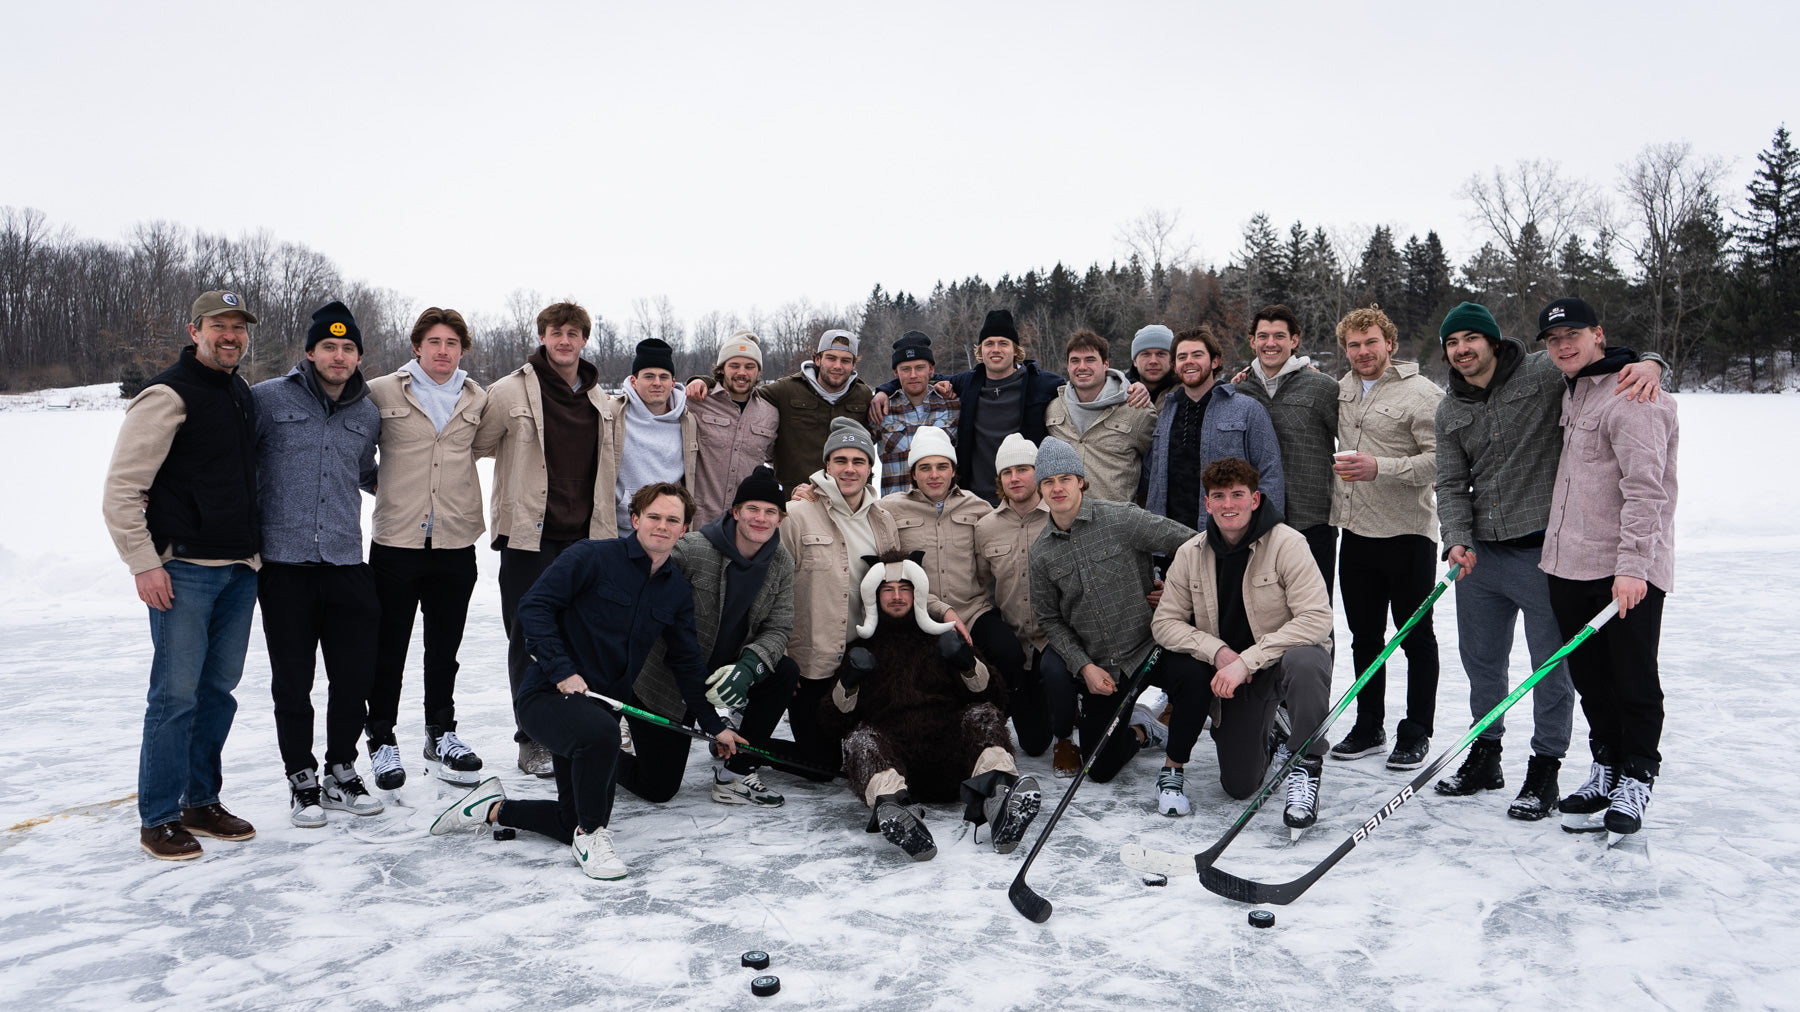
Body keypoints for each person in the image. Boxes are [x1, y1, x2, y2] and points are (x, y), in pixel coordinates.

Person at [430, 483, 749, 879]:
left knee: (571, 817)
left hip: (597, 711)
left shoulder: (676, 591)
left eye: (672, 520)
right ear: (635, 519)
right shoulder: (592, 557)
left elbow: (685, 663)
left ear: (684, 529)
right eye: (654, 517)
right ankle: (593, 836)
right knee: (601, 744)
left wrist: (716, 726)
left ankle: (493, 809)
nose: (662, 527)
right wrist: (561, 669)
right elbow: (534, 606)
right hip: (547, 696)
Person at [1431, 301, 1665, 819]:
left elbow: (1604, 357)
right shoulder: (1449, 409)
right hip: (1480, 559)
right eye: (1452, 342)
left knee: (1551, 669)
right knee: (1482, 664)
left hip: (1547, 555)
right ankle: (1486, 755)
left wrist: (1652, 362)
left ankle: (1545, 769)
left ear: (1493, 341)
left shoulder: (1543, 372)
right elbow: (1449, 483)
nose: (1462, 349)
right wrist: (1457, 538)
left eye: (1472, 338)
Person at [103, 290, 262, 860]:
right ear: (195, 329)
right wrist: (145, 562)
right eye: (218, 325)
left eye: (238, 327)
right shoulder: (168, 394)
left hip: (240, 571)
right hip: (185, 571)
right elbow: (123, 489)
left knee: (217, 694)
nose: (230, 336)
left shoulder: (239, 392)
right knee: (175, 698)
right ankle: (159, 818)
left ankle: (201, 800)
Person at [1533, 297, 1678, 841]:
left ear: (1598, 333)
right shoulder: (1575, 389)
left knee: (1632, 678)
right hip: (1568, 563)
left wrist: (1635, 566)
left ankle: (1637, 774)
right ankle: (1607, 766)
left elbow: (1648, 489)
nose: (1563, 345)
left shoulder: (1633, 392)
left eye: (1573, 334)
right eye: (1553, 339)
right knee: (1591, 680)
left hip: (1624, 570)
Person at [474, 301, 622, 777]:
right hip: (527, 539)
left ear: (584, 340)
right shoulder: (509, 390)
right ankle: (531, 738)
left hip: (585, 538)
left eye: (573, 333)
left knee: (582, 636)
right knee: (528, 637)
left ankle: (579, 726)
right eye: (556, 332)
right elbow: (473, 446)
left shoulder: (600, 400)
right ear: (542, 336)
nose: (564, 340)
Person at [252, 300, 383, 827]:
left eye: (348, 348)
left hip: (347, 560)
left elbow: (370, 474)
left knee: (352, 676)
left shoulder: (368, 412)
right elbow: (228, 460)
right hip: (284, 565)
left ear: (357, 358)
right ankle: (301, 775)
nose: (339, 355)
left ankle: (341, 768)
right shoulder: (265, 400)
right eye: (329, 346)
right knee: (293, 679)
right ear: (309, 352)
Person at [819, 554, 1041, 861]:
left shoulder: (941, 638)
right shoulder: (861, 648)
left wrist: (966, 662)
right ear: (874, 596)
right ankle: (895, 812)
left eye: (904, 588)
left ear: (918, 593)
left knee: (983, 715)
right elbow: (833, 724)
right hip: (895, 765)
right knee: (860, 740)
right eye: (887, 589)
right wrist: (849, 681)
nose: (896, 596)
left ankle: (1001, 799)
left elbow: (997, 698)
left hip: (954, 761)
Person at [1151, 458, 1334, 826]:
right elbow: (1165, 623)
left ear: (1255, 499)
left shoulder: (1288, 544)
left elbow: (1317, 619)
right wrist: (1216, 651)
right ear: (1207, 504)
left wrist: (1247, 660)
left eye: (1237, 494)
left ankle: (1305, 765)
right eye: (1218, 496)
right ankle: (1271, 735)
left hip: (1278, 664)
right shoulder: (1191, 553)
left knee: (1307, 661)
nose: (1228, 504)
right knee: (1239, 785)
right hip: (1233, 679)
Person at [1028, 438, 1206, 814]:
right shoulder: (1042, 551)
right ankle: (1142, 731)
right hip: (1104, 666)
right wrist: (1084, 667)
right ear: (1040, 488)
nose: (1057, 488)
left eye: (1065, 478)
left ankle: (1174, 766)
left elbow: (1192, 542)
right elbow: (1050, 618)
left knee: (1195, 675)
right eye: (1048, 482)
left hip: (1150, 645)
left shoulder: (1121, 518)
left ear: (1081, 481)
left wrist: (1174, 591)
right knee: (1100, 768)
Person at [365, 306, 488, 790]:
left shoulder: (478, 399)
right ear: (417, 346)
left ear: (462, 350)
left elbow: (486, 448)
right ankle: (381, 738)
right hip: (397, 542)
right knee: (388, 646)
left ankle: (441, 732)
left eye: (452, 343)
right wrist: (391, 489)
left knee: (445, 648)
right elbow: (356, 452)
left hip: (456, 542)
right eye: (434, 342)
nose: (443, 351)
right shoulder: (381, 392)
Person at [627, 467, 799, 807]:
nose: (760, 518)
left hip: (724, 670)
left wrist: (749, 666)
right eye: (752, 509)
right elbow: (639, 592)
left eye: (770, 512)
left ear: (780, 519)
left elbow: (779, 627)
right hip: (666, 679)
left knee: (784, 671)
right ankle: (586, 755)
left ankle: (735, 774)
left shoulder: (781, 563)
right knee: (658, 787)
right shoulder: (693, 550)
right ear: (735, 512)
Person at [1327, 306, 1444, 771]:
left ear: (1389, 344)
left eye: (1370, 342)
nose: (1362, 352)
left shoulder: (1424, 394)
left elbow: (1440, 461)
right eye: (1353, 345)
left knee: (1417, 638)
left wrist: (1382, 467)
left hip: (1408, 536)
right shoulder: (1341, 391)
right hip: (1355, 535)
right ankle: (1368, 724)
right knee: (1364, 638)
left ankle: (1416, 731)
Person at [777, 418, 908, 772]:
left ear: (870, 468)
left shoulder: (883, 520)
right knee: (823, 764)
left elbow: (897, 584)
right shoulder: (796, 516)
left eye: (858, 461)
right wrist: (783, 659)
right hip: (813, 661)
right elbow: (774, 590)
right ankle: (750, 744)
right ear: (827, 466)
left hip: (865, 657)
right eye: (841, 461)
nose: (849, 469)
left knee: (870, 748)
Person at [871, 309, 1063, 503]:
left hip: (1028, 497)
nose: (995, 349)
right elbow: (918, 378)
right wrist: (884, 390)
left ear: (1015, 350)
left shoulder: (1042, 384)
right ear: (980, 350)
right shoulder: (969, 383)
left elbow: (1078, 388)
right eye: (989, 343)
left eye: (1003, 343)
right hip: (977, 500)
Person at [969, 434, 1072, 772]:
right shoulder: (986, 527)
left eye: (1024, 469)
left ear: (1038, 473)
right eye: (1007, 472)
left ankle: (1066, 737)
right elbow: (985, 578)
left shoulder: (1061, 514)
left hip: (1057, 636)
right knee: (1031, 743)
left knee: (1057, 677)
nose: (1015, 478)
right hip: (1017, 639)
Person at [1235, 305, 1341, 596]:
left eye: (1279, 336)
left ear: (1294, 340)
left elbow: (1353, 439)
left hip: (1312, 520)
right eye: (1263, 336)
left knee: (1314, 611)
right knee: (1260, 612)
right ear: (1252, 341)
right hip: (1254, 522)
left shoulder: (1322, 387)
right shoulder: (1237, 391)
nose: (1271, 343)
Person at [1144, 326, 1285, 531]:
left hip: (1229, 536)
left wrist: (1263, 528)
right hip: (1170, 537)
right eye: (1182, 357)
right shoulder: (1165, 412)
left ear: (1215, 361)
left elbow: (1270, 472)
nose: (1189, 361)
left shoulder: (1247, 410)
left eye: (1197, 355)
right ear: (1174, 366)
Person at [879, 425, 989, 631]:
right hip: (918, 613)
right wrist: (814, 491)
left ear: (953, 470)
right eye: (925, 468)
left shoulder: (978, 507)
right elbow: (852, 509)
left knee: (1008, 653)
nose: (934, 475)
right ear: (913, 474)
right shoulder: (888, 509)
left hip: (973, 611)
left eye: (942, 466)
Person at [1044, 329, 1156, 504]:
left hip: (1116, 522)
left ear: (1105, 364)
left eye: (1090, 360)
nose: (1082, 367)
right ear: (1067, 366)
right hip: (1066, 521)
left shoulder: (1137, 410)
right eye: (1075, 361)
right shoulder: (1054, 409)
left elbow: (1157, 469)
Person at [761, 329, 875, 492]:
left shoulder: (863, 395)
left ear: (853, 365)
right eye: (831, 358)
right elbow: (740, 393)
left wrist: (886, 389)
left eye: (845, 360)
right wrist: (710, 382)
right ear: (817, 359)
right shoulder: (786, 390)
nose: (837, 366)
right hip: (797, 499)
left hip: (849, 500)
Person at [688, 330, 779, 525]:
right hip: (698, 520)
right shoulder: (697, 402)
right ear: (721, 369)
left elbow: (775, 461)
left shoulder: (770, 414)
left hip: (743, 525)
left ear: (758, 371)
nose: (742, 373)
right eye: (734, 365)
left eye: (749, 366)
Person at [613, 337, 699, 530]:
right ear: (634, 381)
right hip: (623, 526)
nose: (657, 383)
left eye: (663, 376)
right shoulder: (614, 413)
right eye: (649, 376)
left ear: (673, 382)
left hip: (668, 529)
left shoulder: (687, 420)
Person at [874, 331, 959, 499]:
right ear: (896, 373)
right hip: (897, 512)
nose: (913, 375)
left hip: (945, 512)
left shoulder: (953, 405)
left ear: (931, 369)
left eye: (920, 368)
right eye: (906, 369)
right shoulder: (881, 408)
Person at [1126, 324, 1179, 406]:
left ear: (1172, 359)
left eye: (1161, 354)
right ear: (1135, 361)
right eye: (1146, 354)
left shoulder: (1187, 392)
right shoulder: (1119, 392)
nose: (1153, 361)